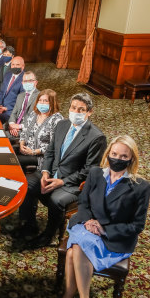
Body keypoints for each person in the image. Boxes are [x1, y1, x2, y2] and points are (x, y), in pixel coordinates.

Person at [50, 135, 150, 298]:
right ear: (108, 154)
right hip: (86, 227)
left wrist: (104, 228)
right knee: (80, 244)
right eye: (114, 154)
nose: (117, 159)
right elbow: (84, 203)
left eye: (123, 156)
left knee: (74, 250)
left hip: (113, 237)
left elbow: (137, 225)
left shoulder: (141, 187)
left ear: (132, 159)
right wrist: (89, 221)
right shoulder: (96, 174)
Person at [17, 93, 107, 248]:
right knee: (26, 184)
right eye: (73, 108)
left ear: (89, 112)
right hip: (50, 173)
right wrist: (45, 172)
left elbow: (90, 170)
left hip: (72, 183)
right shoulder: (62, 125)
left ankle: (48, 236)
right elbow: (50, 152)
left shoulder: (96, 137)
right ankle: (28, 224)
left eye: (81, 109)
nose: (76, 112)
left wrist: (62, 181)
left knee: (56, 200)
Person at [16, 89, 63, 170]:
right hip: (25, 149)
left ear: (53, 103)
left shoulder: (57, 120)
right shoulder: (34, 113)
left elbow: (54, 146)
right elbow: (24, 131)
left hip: (39, 156)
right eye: (40, 100)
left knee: (14, 161)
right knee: (6, 153)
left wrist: (33, 152)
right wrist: (21, 144)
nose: (42, 103)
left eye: (45, 101)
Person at [5, 70, 38, 138]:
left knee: (2, 137)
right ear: (22, 83)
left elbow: (36, 119)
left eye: (30, 80)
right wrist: (12, 124)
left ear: (36, 82)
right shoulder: (20, 96)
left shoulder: (40, 97)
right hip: (14, 125)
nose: (28, 83)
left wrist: (19, 126)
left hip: (26, 129)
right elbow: (14, 113)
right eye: (25, 81)